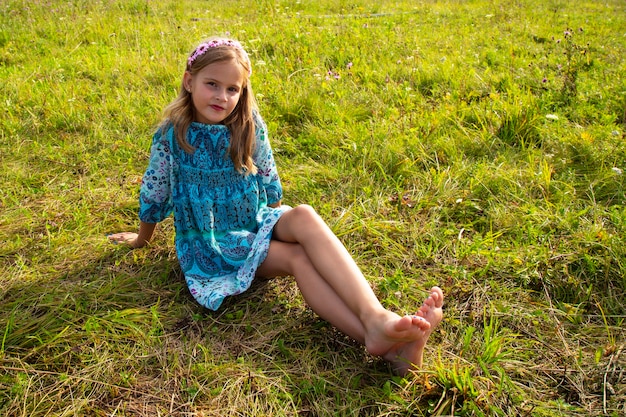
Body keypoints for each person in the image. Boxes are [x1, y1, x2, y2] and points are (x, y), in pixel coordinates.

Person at [108, 37, 444, 376]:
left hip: (252, 221)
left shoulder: (246, 123)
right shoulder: (172, 135)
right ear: (188, 80)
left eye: (232, 89)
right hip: (214, 244)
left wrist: (281, 226)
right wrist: (142, 239)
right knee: (297, 258)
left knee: (305, 215)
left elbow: (269, 176)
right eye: (212, 84)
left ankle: (376, 316)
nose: (222, 97)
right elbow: (155, 190)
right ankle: (379, 342)